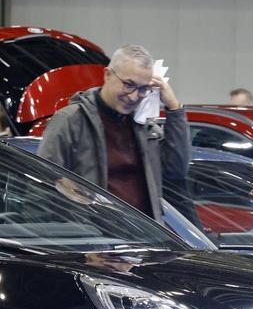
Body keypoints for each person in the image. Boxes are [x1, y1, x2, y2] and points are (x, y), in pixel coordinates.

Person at [38, 44, 188, 225]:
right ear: (107, 75)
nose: (134, 96)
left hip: (144, 236)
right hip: (92, 237)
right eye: (129, 85)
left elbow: (176, 169)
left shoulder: (143, 126)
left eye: (143, 89)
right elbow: (42, 184)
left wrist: (174, 107)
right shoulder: (71, 121)